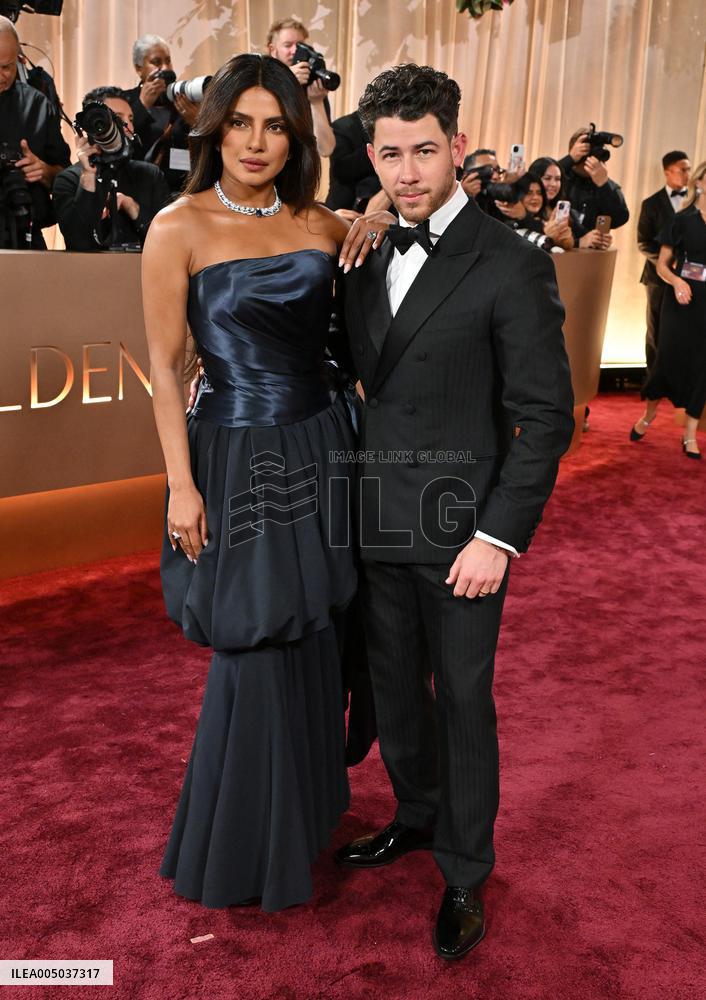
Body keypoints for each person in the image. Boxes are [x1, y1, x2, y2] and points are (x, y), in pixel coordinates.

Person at [334, 64, 574, 960]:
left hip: (464, 532)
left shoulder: (511, 262)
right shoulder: (359, 253)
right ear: (371, 155)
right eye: (390, 154)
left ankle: (467, 871)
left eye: (424, 150)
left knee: (463, 699)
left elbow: (546, 415)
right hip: (376, 520)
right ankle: (417, 815)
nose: (407, 171)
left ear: (457, 148)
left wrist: (498, 536)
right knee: (395, 690)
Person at [142, 53, 370, 913]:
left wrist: (377, 209)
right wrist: (180, 486)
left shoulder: (319, 223)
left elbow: (347, 318)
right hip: (235, 455)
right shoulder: (178, 226)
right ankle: (240, 848)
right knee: (257, 635)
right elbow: (166, 370)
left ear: (295, 135)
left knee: (314, 626)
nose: (257, 141)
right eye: (240, 121)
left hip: (321, 443)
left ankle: (306, 813)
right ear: (215, 126)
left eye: (276, 125)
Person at [631, 161, 706, 459]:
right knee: (667, 360)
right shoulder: (681, 220)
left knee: (702, 367)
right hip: (681, 297)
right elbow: (662, 265)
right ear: (699, 182)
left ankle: (690, 434)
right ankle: (649, 416)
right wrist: (677, 283)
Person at [53, 87, 171, 251]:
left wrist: (132, 206)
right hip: (87, 273)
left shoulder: (150, 174)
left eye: (130, 119)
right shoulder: (68, 179)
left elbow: (169, 240)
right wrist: (88, 176)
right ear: (90, 126)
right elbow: (77, 242)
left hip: (142, 272)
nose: (126, 126)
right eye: (116, 118)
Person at [0, 15, 70, 248]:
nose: (2, 76)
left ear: (18, 59)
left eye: (7, 67)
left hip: (25, 234)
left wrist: (44, 171)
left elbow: (65, 176)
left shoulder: (37, 105)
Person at [637, 150, 692, 374]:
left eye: (689, 169)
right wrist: (667, 262)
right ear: (667, 172)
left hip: (691, 276)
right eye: (683, 169)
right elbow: (643, 242)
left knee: (688, 328)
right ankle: (654, 380)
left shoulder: (696, 202)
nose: (687, 174)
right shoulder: (651, 204)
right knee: (656, 328)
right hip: (657, 278)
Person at [123, 34, 198, 194]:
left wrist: (196, 122)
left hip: (181, 192)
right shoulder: (124, 102)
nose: (165, 68)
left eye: (168, 61)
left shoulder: (184, 101)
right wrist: (142, 105)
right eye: (156, 62)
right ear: (139, 68)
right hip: (137, 191)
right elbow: (121, 144)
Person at [266, 17, 335, 157]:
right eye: (287, 45)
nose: (294, 51)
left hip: (301, 173)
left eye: (300, 45)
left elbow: (326, 149)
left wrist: (317, 102)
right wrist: (286, 81)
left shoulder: (310, 85)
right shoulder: (260, 80)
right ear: (273, 50)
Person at [528, 155, 611, 250]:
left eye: (557, 179)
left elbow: (584, 235)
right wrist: (579, 242)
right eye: (547, 178)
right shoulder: (523, 211)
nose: (553, 184)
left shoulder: (564, 210)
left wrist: (597, 239)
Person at [558, 126, 629, 231]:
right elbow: (537, 182)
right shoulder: (559, 177)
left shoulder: (606, 184)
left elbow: (620, 219)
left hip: (591, 246)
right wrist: (570, 159)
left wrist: (604, 185)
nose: (593, 159)